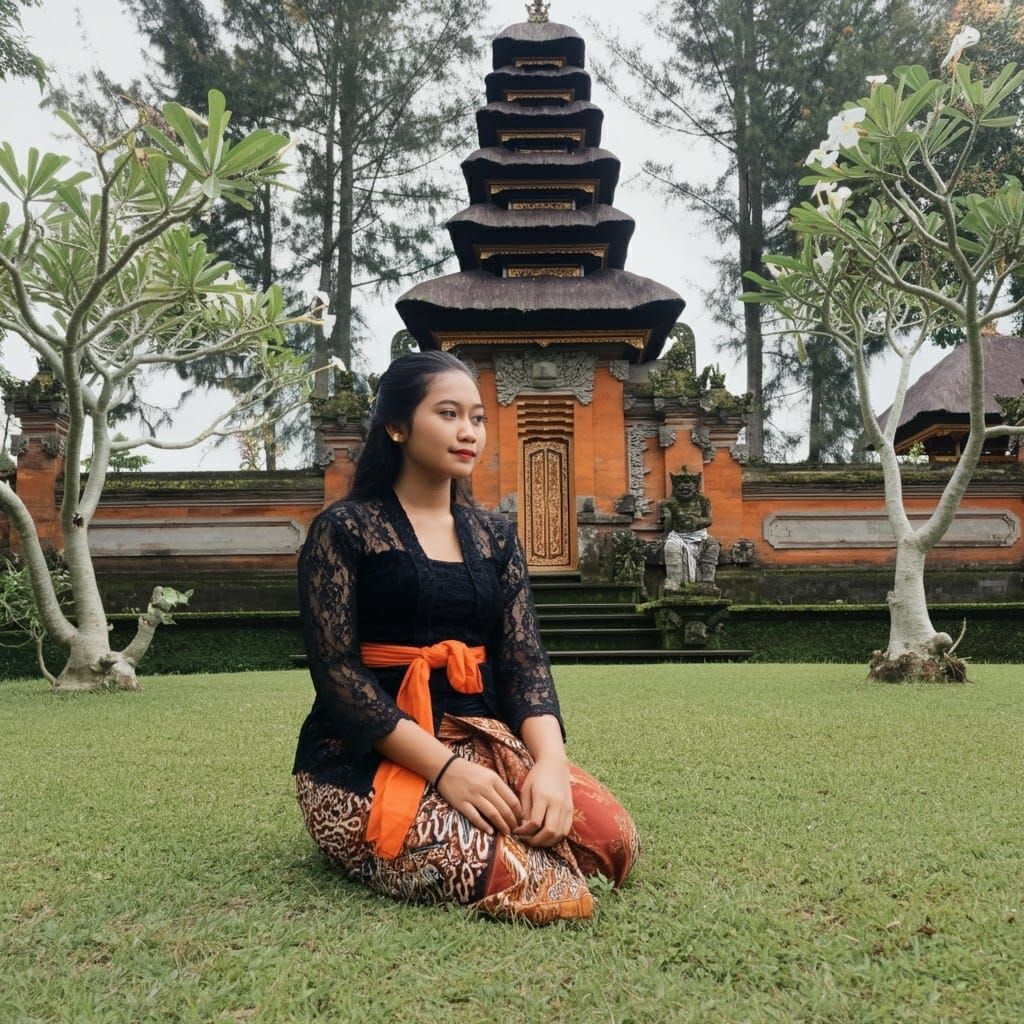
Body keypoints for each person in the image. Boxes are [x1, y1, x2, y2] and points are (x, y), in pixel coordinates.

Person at [293, 350, 638, 923]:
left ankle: (512, 808)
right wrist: (445, 772)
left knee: (613, 846)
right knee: (510, 875)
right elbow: (338, 673)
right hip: (370, 751)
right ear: (397, 426)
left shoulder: (494, 534)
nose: (468, 432)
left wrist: (549, 763)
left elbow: (523, 660)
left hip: (482, 735)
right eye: (449, 414)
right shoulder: (345, 529)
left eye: (477, 418)